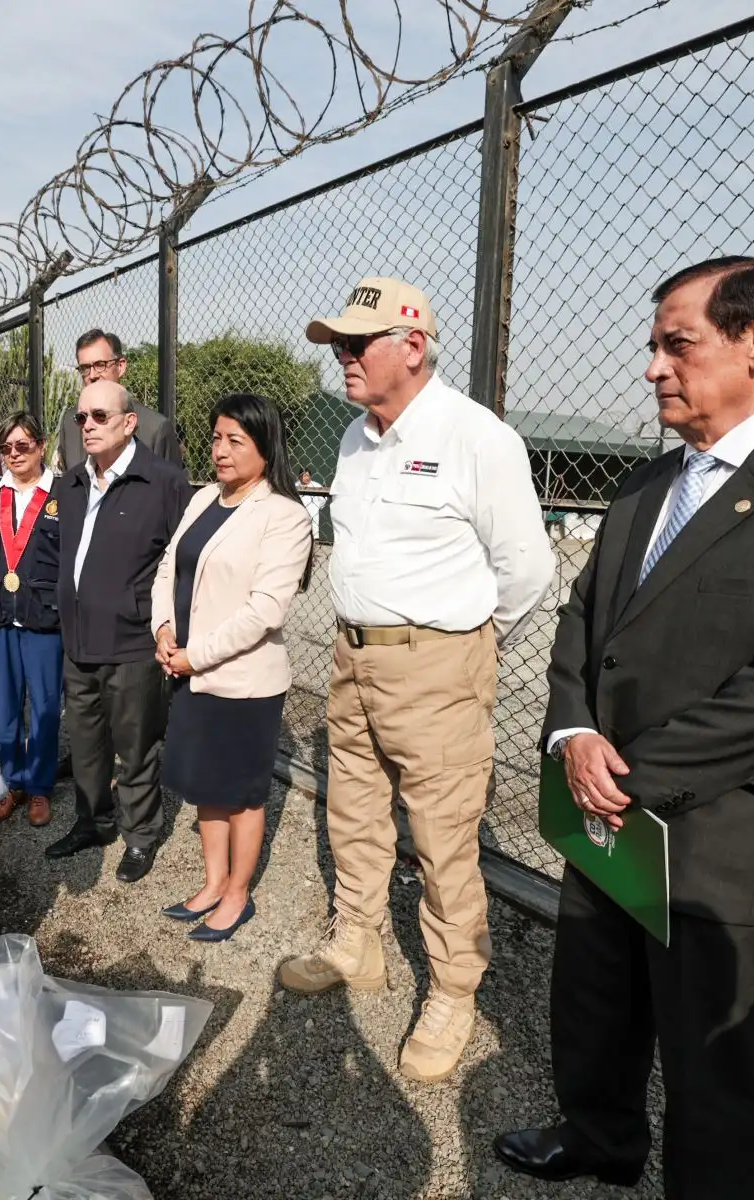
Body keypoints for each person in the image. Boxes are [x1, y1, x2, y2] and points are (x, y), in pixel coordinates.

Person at [494, 257, 754, 1199]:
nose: (652, 367)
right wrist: (572, 735)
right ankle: (600, 1135)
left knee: (710, 1055)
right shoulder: (648, 487)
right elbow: (582, 623)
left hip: (729, 831)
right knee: (595, 996)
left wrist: (633, 771)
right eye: (653, 346)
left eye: (676, 344)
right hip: (605, 803)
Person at [278, 276, 553, 1083]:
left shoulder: (477, 437)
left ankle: (452, 992)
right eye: (337, 346)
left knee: (442, 840)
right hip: (350, 653)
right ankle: (357, 940)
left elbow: (528, 569)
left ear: (414, 345)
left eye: (358, 345)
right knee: (354, 808)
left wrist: (467, 642)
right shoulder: (356, 439)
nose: (343, 359)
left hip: (437, 665)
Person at [151, 393, 311, 942]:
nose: (220, 450)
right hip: (189, 668)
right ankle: (213, 880)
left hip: (242, 681)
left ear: (264, 448)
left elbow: (265, 609)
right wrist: (163, 629)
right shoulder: (203, 500)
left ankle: (238, 894)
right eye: (216, 438)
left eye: (234, 441)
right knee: (205, 786)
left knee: (241, 792)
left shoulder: (285, 517)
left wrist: (194, 655)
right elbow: (168, 567)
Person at [48, 380, 192, 883]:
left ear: (129, 423)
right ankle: (94, 821)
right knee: (85, 742)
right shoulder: (69, 484)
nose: (86, 425)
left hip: (133, 641)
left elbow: (183, 565)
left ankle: (140, 835)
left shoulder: (164, 482)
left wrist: (170, 626)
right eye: (81, 417)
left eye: (99, 417)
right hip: (79, 639)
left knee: (135, 745)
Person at [0, 412, 62, 827]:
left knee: (46, 706)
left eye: (23, 445)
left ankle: (39, 787)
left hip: (44, 618)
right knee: (4, 705)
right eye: (6, 448)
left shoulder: (63, 496)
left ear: (40, 445)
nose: (14, 454)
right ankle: (11, 782)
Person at [50, 329, 184, 473]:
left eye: (100, 365)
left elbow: (172, 490)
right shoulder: (71, 423)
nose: (93, 375)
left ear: (121, 366)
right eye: (85, 368)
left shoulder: (155, 429)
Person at [297, 467, 328, 541]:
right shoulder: (296, 485)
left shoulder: (316, 485)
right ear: (300, 476)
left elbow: (324, 499)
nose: (306, 478)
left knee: (313, 529)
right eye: (304, 476)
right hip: (299, 511)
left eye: (308, 475)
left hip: (312, 511)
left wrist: (317, 506)